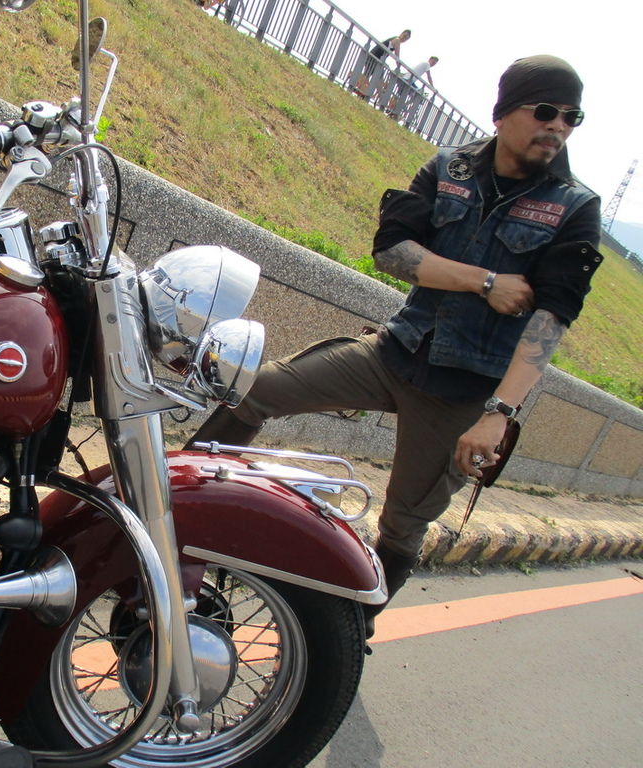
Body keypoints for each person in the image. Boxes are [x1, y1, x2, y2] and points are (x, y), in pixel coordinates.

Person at [184, 55, 602, 639]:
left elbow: (551, 319)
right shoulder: (450, 168)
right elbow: (392, 252)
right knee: (251, 391)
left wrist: (499, 414)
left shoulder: (574, 206)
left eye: (571, 117)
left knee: (404, 525)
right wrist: (485, 282)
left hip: (465, 392)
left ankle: (347, 638)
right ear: (504, 112)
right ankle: (180, 511)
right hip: (394, 350)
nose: (557, 126)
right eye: (546, 111)